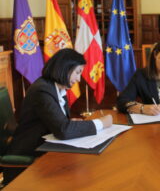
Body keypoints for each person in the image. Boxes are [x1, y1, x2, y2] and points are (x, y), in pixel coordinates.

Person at [3, 48, 113, 185]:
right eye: (77, 73)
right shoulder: (42, 90)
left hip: (45, 145)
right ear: (65, 68)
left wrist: (67, 122)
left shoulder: (57, 87)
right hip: (29, 153)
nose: (79, 79)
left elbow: (59, 123)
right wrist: (101, 123)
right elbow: (63, 130)